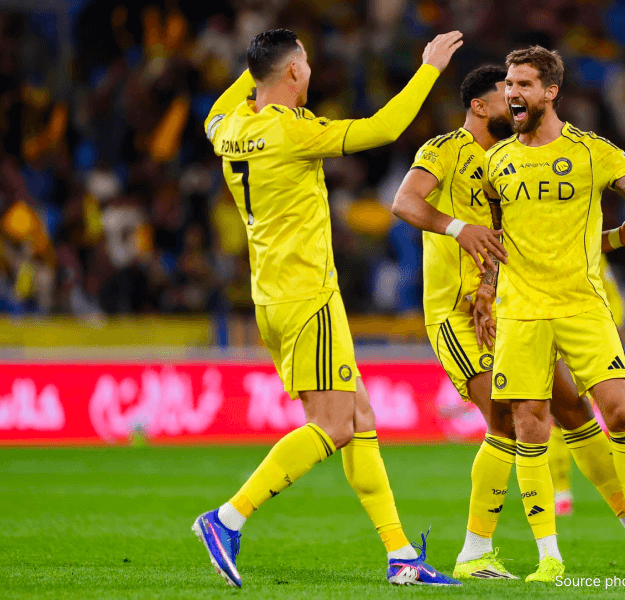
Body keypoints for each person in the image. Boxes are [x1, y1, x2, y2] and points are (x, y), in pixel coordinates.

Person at [392, 65, 625, 582]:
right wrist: (458, 231)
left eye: (522, 90)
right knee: (506, 424)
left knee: (576, 411)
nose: (515, 101)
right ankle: (475, 553)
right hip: (459, 311)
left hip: (509, 302)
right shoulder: (447, 149)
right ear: (480, 105)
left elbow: (540, 243)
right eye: (506, 94)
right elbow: (405, 203)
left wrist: (617, 238)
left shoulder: (524, 156)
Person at [192, 28, 464, 588]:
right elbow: (384, 128)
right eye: (306, 63)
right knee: (334, 426)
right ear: (292, 73)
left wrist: (264, 58)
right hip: (306, 294)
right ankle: (227, 519)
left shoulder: (227, 127)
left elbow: (236, 92)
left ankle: (401, 556)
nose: (311, 71)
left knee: (360, 420)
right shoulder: (292, 132)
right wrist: (430, 67)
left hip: (272, 293)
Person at [476, 45, 625, 580]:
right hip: (521, 312)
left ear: (550, 92)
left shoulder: (591, 150)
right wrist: (487, 291)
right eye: (509, 84)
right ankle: (548, 558)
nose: (512, 93)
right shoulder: (496, 162)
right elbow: (497, 237)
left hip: (582, 306)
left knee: (620, 412)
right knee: (530, 427)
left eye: (524, 84)